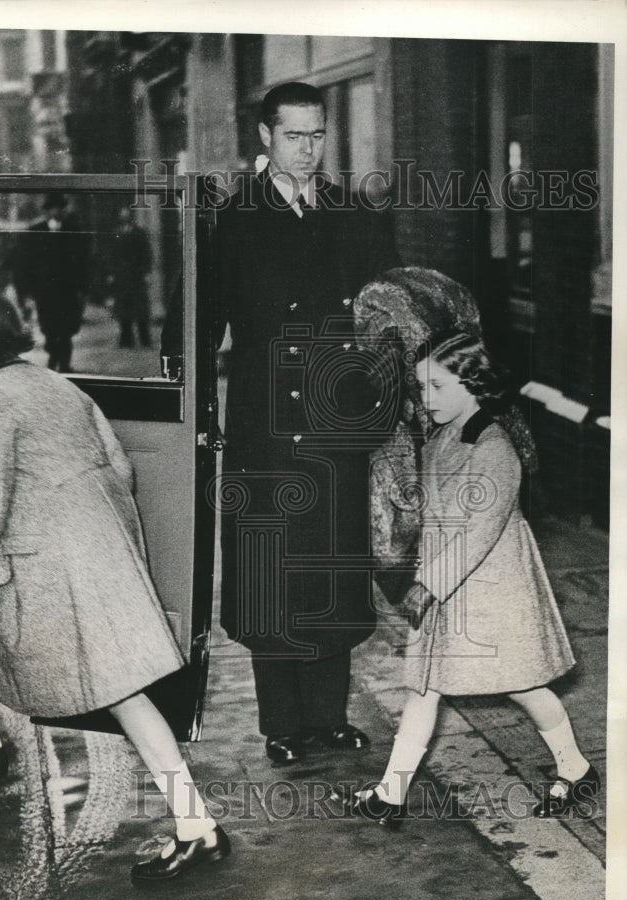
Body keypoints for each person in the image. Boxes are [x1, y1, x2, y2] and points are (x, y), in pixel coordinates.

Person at [0, 280, 230, 881]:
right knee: (123, 693)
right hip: (100, 550)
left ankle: (196, 827)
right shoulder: (54, 382)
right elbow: (120, 467)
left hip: (59, 567)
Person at [331, 275, 599, 825]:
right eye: (421, 386)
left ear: (471, 382)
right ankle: (390, 794)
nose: (424, 397)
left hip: (492, 590)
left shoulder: (493, 445)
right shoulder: (445, 434)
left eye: (434, 386)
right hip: (449, 587)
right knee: (425, 689)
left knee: (526, 686)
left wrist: (426, 586)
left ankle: (575, 768)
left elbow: (476, 531)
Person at [217, 81, 403, 765]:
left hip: (334, 426)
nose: (307, 148)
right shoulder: (233, 218)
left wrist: (378, 413)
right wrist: (195, 417)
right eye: (294, 135)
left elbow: (388, 322)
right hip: (265, 429)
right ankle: (282, 725)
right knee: (271, 572)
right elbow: (196, 321)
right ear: (265, 136)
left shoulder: (354, 215)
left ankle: (329, 716)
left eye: (317, 134)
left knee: (330, 569)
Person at [12, 191, 90, 373]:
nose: (56, 212)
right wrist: (26, 292)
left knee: (66, 330)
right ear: (46, 211)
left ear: (64, 210)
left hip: (68, 291)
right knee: (49, 328)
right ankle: (55, 356)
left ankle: (63, 364)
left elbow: (84, 262)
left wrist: (83, 288)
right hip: (44, 292)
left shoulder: (75, 230)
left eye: (60, 208)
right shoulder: (35, 231)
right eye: (52, 208)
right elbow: (25, 264)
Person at [110, 206, 152, 348]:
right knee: (123, 310)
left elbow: (146, 253)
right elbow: (112, 255)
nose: (124, 217)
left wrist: (146, 272)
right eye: (122, 215)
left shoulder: (139, 233)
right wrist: (111, 273)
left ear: (131, 216)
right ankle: (126, 339)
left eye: (126, 215)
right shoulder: (116, 233)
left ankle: (145, 339)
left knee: (140, 310)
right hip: (122, 277)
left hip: (136, 276)